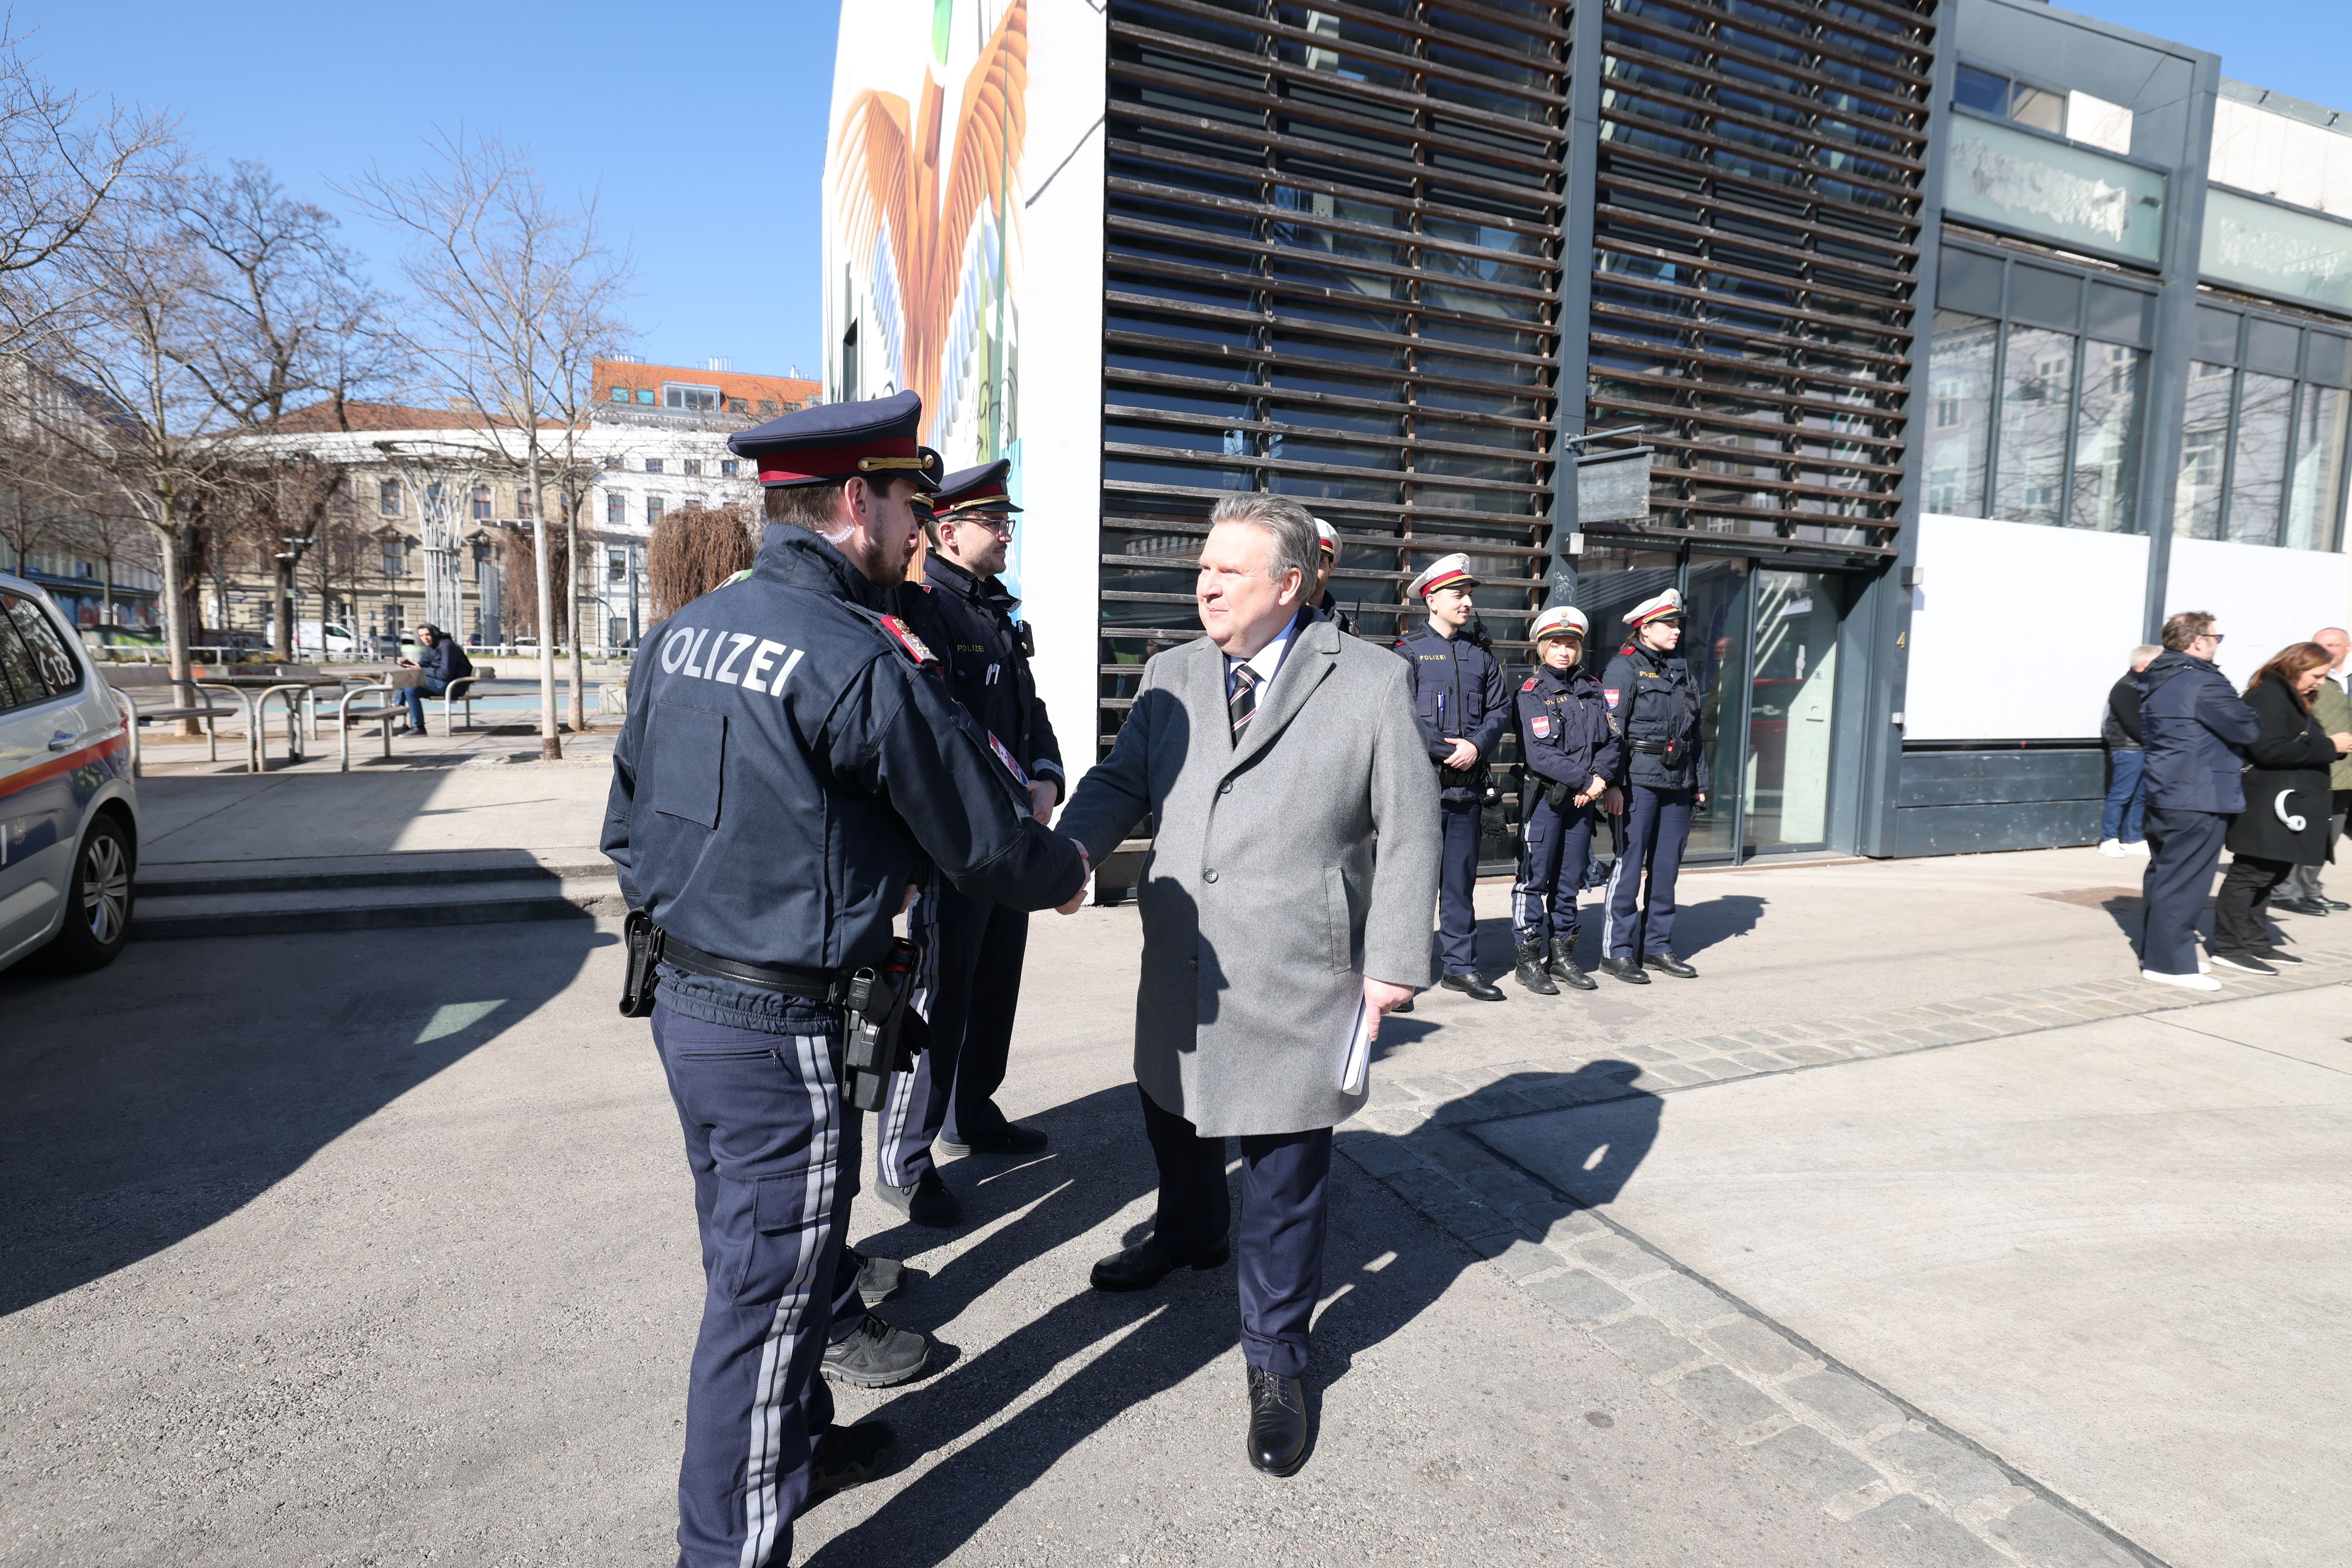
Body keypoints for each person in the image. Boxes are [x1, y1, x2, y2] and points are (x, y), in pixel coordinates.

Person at [601, 390, 1090, 1568]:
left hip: (684, 1001)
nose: (917, 530)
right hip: (781, 1025)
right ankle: (726, 1550)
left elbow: (625, 826)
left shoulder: (684, 632)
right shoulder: (854, 654)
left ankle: (799, 1447)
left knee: (759, 1259)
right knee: (765, 1314)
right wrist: (1064, 869)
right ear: (857, 500)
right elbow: (981, 838)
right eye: (909, 506)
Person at [1055, 493, 1439, 1478]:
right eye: (1202, 566)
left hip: (1297, 969)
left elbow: (1409, 827)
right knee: (1172, 1114)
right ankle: (1188, 1232)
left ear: (1292, 582)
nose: (1206, 582)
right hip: (1186, 956)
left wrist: (1395, 959)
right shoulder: (1173, 672)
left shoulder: (1372, 681)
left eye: (1230, 568)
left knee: (1281, 1172)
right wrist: (1067, 853)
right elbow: (1121, 781)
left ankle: (1276, 1357)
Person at [873, 459, 1063, 1228]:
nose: (1006, 530)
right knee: (938, 1000)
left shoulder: (996, 611)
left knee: (993, 987)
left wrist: (1047, 772)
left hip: (1009, 840)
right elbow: (942, 734)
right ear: (947, 532)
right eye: (993, 521)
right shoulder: (925, 610)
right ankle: (904, 1162)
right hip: (957, 849)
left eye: (1005, 519)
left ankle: (971, 1111)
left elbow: (1030, 710)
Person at [1396, 552, 1508, 999]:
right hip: (1421, 790)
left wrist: (1476, 746)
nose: (1466, 602)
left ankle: (1460, 966)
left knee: (1460, 884)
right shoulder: (1407, 653)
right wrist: (1449, 750)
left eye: (1468, 594)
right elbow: (1400, 716)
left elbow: (1500, 710)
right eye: (1458, 594)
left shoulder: (1480, 656)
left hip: (1466, 790)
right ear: (1432, 599)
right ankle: (1401, 975)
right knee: (1412, 886)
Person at [2133, 610, 2260, 992]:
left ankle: (2162, 951)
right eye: (2216, 637)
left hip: (2169, 790)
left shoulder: (2159, 678)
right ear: (2197, 642)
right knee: (2185, 880)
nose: (2218, 643)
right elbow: (2248, 726)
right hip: (2198, 793)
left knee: (2166, 875)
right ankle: (2169, 964)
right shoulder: (2203, 682)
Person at [2211, 642, 2352, 974]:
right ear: (2295, 667)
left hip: (2287, 801)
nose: (2320, 682)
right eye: (2316, 675)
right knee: (2251, 874)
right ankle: (2229, 946)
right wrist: (2329, 746)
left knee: (2270, 873)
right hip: (2270, 802)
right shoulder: (2269, 697)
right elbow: (2269, 750)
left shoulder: (2285, 696)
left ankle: (2257, 942)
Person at [1510, 604, 1621, 995]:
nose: (1564, 651)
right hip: (1545, 801)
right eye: (1556, 644)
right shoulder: (1531, 693)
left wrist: (1599, 781)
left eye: (1571, 644)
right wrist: (1586, 781)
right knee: (1533, 879)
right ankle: (1528, 960)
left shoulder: (1592, 688)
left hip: (1583, 802)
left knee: (1569, 880)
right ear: (1541, 648)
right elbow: (1541, 754)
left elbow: (1611, 743)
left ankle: (1562, 956)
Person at [1598, 589, 1705, 984]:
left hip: (1678, 780)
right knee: (1629, 866)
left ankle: (1657, 946)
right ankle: (1619, 951)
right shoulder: (1624, 668)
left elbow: (1693, 731)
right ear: (1645, 627)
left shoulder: (1680, 667)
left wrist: (1700, 782)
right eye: (1669, 624)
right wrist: (1612, 784)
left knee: (1666, 868)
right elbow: (1612, 732)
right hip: (1637, 781)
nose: (1677, 630)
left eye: (1678, 623)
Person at [2276, 626, 2351, 915]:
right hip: (2316, 769)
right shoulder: (2307, 681)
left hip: (2347, 776)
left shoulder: (2346, 680)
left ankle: (2310, 889)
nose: (2326, 650)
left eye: (2333, 645)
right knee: (2304, 832)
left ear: (2348, 647)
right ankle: (2286, 891)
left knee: (2328, 838)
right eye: (2319, 645)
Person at [2098, 644, 2160, 857]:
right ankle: (2109, 839)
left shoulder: (2146, 686)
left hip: (2144, 748)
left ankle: (2132, 838)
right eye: (2158, 662)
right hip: (2128, 749)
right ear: (2145, 665)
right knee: (2121, 794)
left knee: (2140, 795)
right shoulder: (2125, 687)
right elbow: (2133, 723)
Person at [397, 624, 473, 734]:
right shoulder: (431, 647)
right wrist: (408, 664)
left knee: (410, 679)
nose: (425, 638)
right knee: (411, 690)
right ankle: (419, 727)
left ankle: (396, 704)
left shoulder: (447, 646)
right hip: (439, 684)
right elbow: (423, 664)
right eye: (421, 636)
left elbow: (445, 674)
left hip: (453, 686)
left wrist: (421, 669)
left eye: (427, 634)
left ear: (435, 633)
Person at [1309, 516, 1357, 635]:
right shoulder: (1276, 618)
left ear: (1332, 568)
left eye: (1319, 561)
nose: (1311, 568)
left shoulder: (1342, 627)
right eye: (1307, 560)